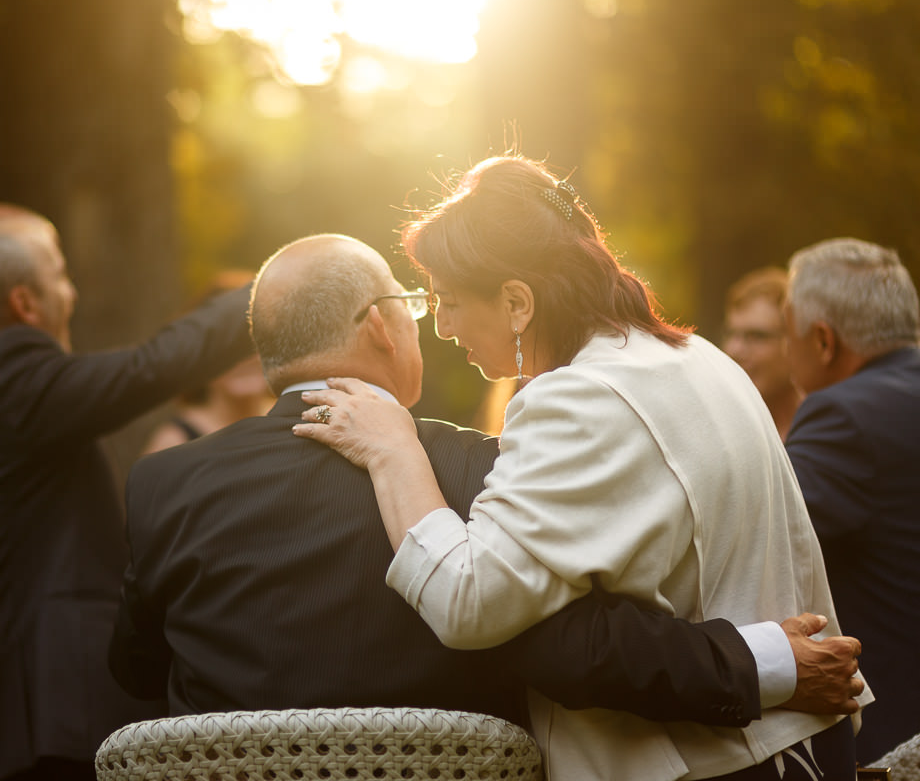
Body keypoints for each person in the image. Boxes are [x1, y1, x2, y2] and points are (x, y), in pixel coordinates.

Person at [113, 234, 863, 733]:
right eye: (415, 307)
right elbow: (579, 648)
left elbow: (134, 667)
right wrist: (758, 663)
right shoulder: (475, 467)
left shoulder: (163, 483)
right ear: (380, 326)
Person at [295, 156, 871, 781]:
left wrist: (393, 450)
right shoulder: (697, 357)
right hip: (798, 745)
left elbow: (467, 600)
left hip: (716, 763)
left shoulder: (579, 398)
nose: (442, 325)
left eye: (451, 300)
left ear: (517, 302)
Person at [0, 203, 254, 781]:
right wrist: (279, 288)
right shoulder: (8, 370)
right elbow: (151, 367)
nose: (72, 291)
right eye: (60, 275)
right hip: (38, 732)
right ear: (24, 303)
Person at [782, 237, 920, 763]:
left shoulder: (841, 416)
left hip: (894, 737)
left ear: (822, 340)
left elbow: (771, 533)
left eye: (786, 331)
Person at [141, 270, 274, 454]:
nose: (245, 359)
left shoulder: (298, 419)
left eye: (254, 340)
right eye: (230, 345)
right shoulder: (174, 444)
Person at [722, 267, 801, 440]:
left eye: (757, 336)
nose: (735, 350)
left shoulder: (825, 426)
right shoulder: (721, 428)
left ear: (795, 343)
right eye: (731, 334)